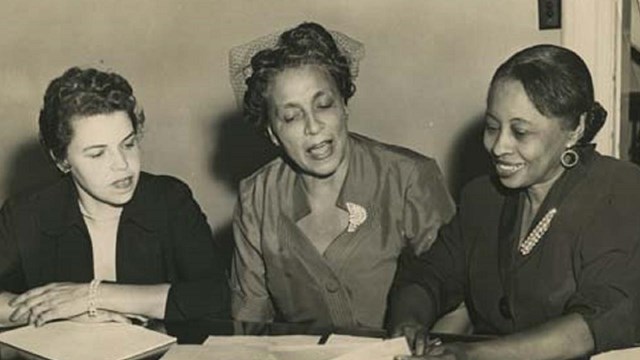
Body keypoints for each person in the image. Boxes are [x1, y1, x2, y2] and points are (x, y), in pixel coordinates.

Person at [388, 44, 640, 359]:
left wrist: (474, 355)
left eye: (520, 132)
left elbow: (596, 322)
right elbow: (427, 275)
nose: (498, 146)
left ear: (574, 128)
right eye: (492, 127)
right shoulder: (482, 197)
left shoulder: (621, 190)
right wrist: (409, 323)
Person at [228, 22, 456, 330]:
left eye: (324, 105)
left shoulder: (409, 178)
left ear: (344, 104)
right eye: (292, 116)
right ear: (271, 132)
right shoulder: (255, 196)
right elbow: (250, 322)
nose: (313, 126)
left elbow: (459, 303)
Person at [0, 67, 229, 327]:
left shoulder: (170, 200)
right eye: (98, 154)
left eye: (128, 144)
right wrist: (65, 312)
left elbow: (215, 296)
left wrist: (93, 295)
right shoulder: (26, 213)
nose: (122, 164)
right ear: (62, 159)